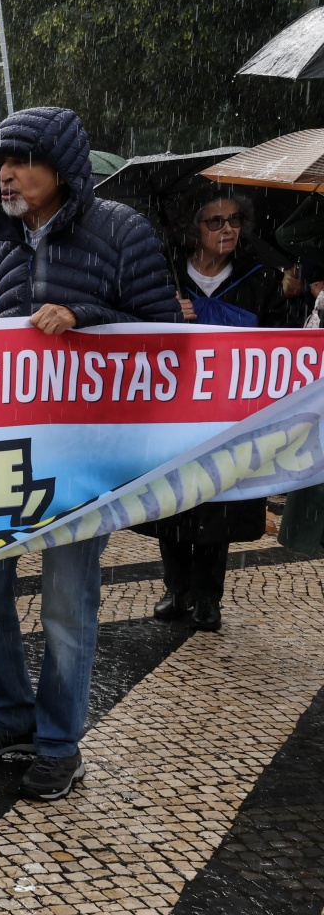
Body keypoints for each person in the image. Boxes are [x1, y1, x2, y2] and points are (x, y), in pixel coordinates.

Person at [0, 107, 180, 802]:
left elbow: (165, 337)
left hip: (85, 459)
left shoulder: (123, 232)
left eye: (20, 160)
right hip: (5, 457)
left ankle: (57, 742)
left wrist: (89, 320)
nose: (7, 175)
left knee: (66, 602)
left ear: (63, 167)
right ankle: (11, 716)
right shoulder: (6, 247)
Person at [139, 189, 289, 632]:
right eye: (215, 222)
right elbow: (135, 334)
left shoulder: (259, 280)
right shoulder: (166, 280)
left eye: (234, 220)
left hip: (228, 413)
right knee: (172, 500)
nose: (228, 229)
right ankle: (175, 587)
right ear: (193, 230)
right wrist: (167, 315)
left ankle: (208, 595)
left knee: (216, 502)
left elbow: (278, 343)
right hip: (172, 411)